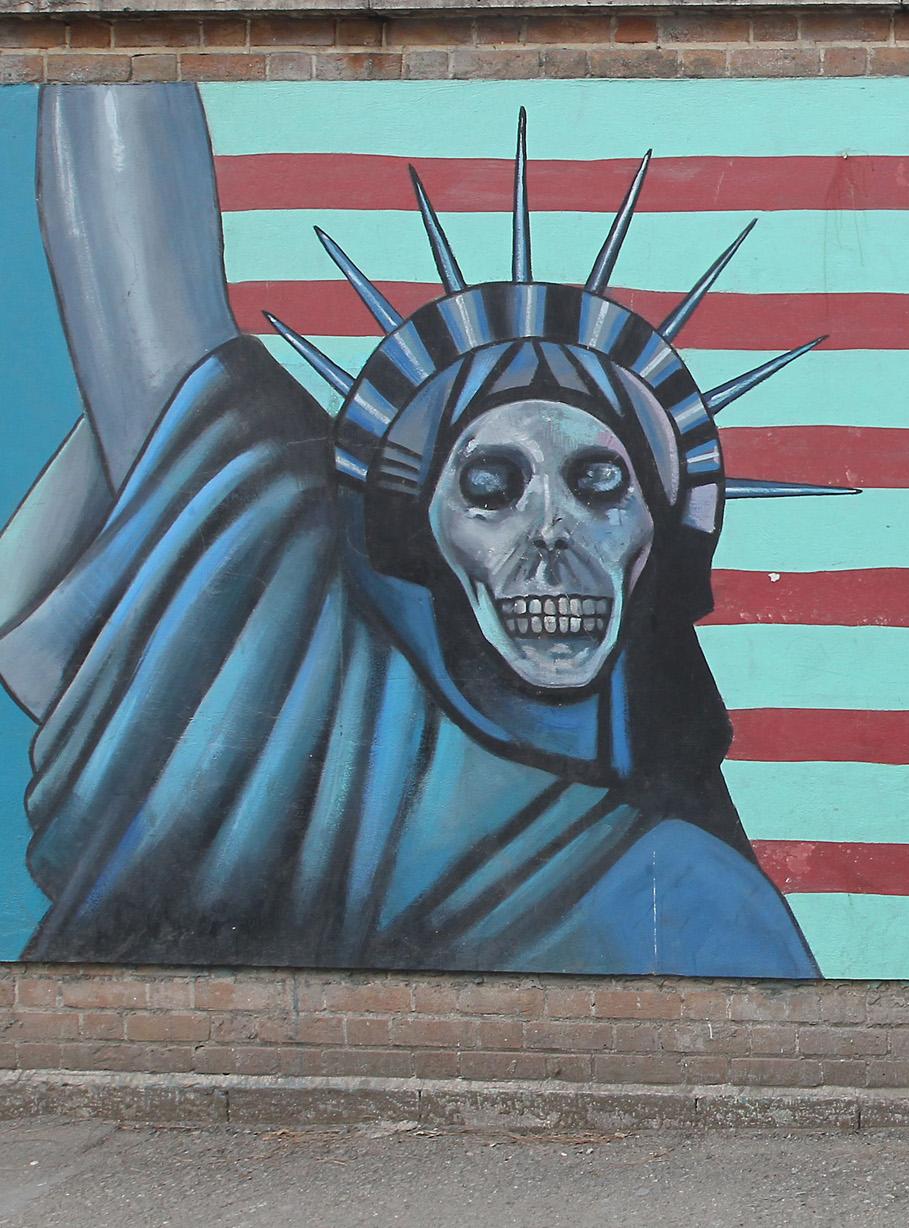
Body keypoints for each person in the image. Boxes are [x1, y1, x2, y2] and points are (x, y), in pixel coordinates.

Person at [0, 86, 840, 975]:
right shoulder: (305, 667)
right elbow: (141, 292)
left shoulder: (699, 900)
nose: (550, 533)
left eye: (599, 485)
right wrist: (115, 40)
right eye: (490, 487)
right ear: (420, 528)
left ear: (655, 536)